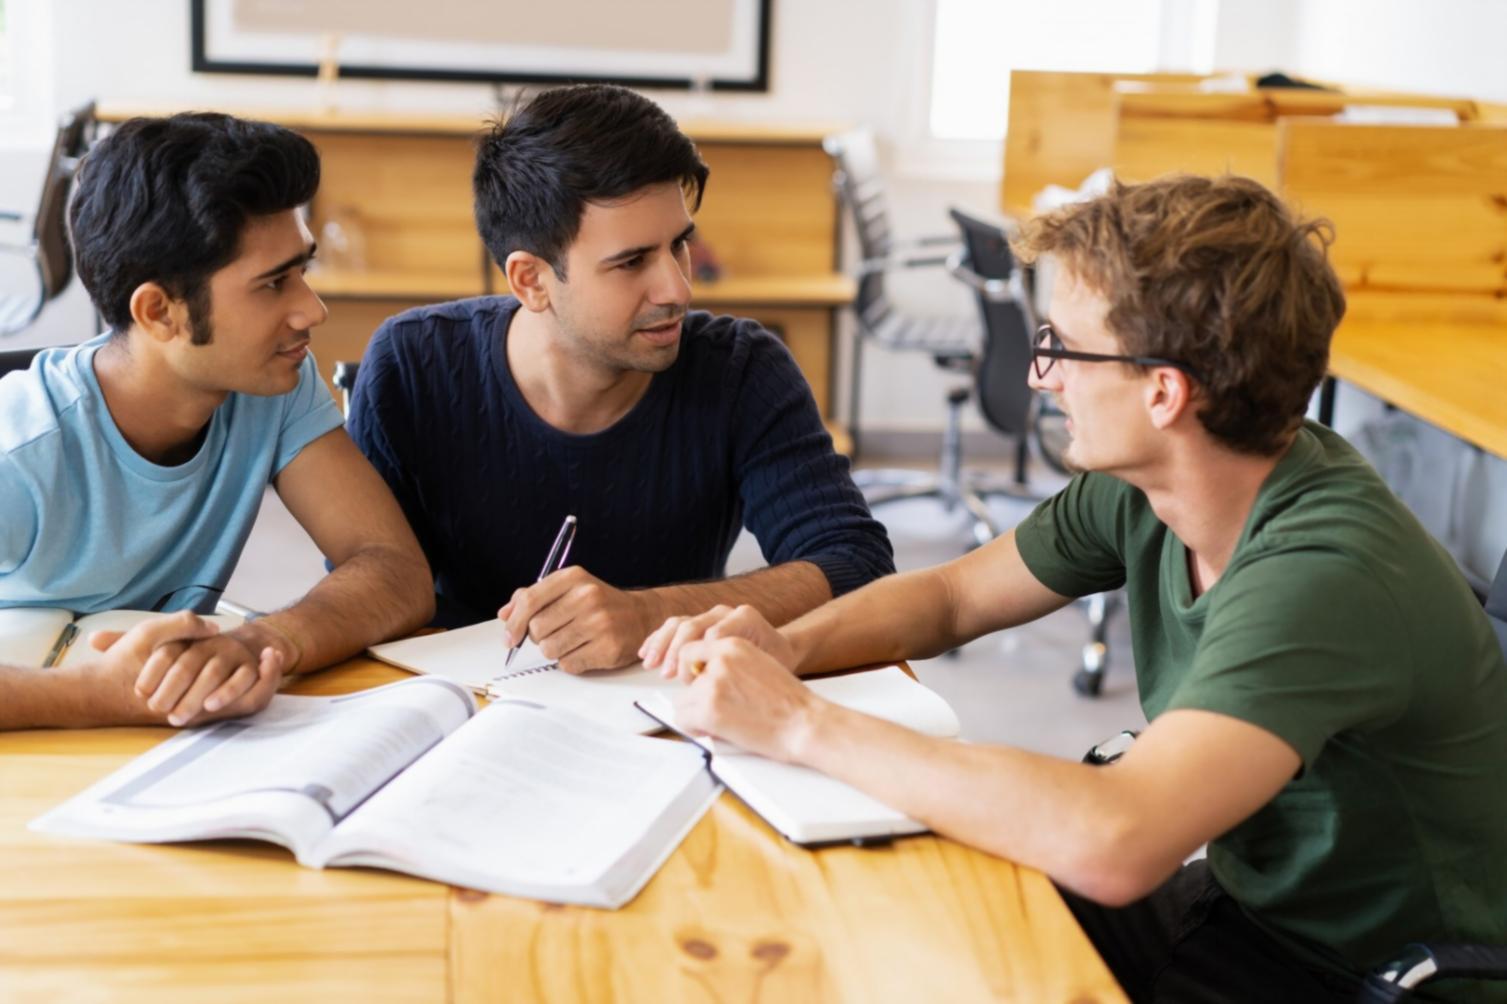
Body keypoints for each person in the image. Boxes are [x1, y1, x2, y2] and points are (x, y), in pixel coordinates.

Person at [642, 175, 1507, 1001]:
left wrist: (796, 722)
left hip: (1366, 974)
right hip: (1248, 909)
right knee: (924, 925)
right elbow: (951, 598)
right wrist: (785, 647)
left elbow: (1117, 841)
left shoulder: (1324, 573)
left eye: (1060, 346)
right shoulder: (1151, 483)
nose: (1038, 374)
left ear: (1164, 390)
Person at [347, 84, 892, 672]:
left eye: (680, 245)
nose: (678, 289)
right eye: (632, 262)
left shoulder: (742, 369)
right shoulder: (412, 365)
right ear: (530, 280)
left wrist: (649, 613)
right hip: (459, 708)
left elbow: (856, 566)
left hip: (664, 716)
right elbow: (367, 590)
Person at [0, 113, 434, 730]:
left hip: (167, 750)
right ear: (159, 312)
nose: (311, 311)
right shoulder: (19, 452)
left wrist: (267, 641)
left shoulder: (271, 386)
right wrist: (97, 694)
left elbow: (393, 568)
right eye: (273, 284)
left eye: (302, 271)